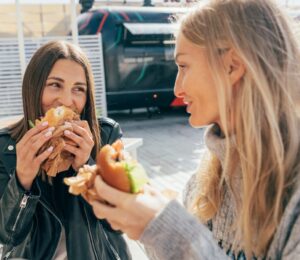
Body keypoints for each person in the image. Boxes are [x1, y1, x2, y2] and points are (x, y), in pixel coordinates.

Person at [88, 0, 300, 259]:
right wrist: (144, 225)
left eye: (184, 66)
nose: (177, 89)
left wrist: (167, 230)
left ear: (231, 66)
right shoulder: (205, 181)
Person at [0, 41, 131, 260]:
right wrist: (22, 179)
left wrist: (87, 169)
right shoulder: (7, 147)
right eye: (55, 85)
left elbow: (119, 224)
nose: (67, 101)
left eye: (78, 89)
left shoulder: (105, 137)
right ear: (34, 88)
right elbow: (8, 236)